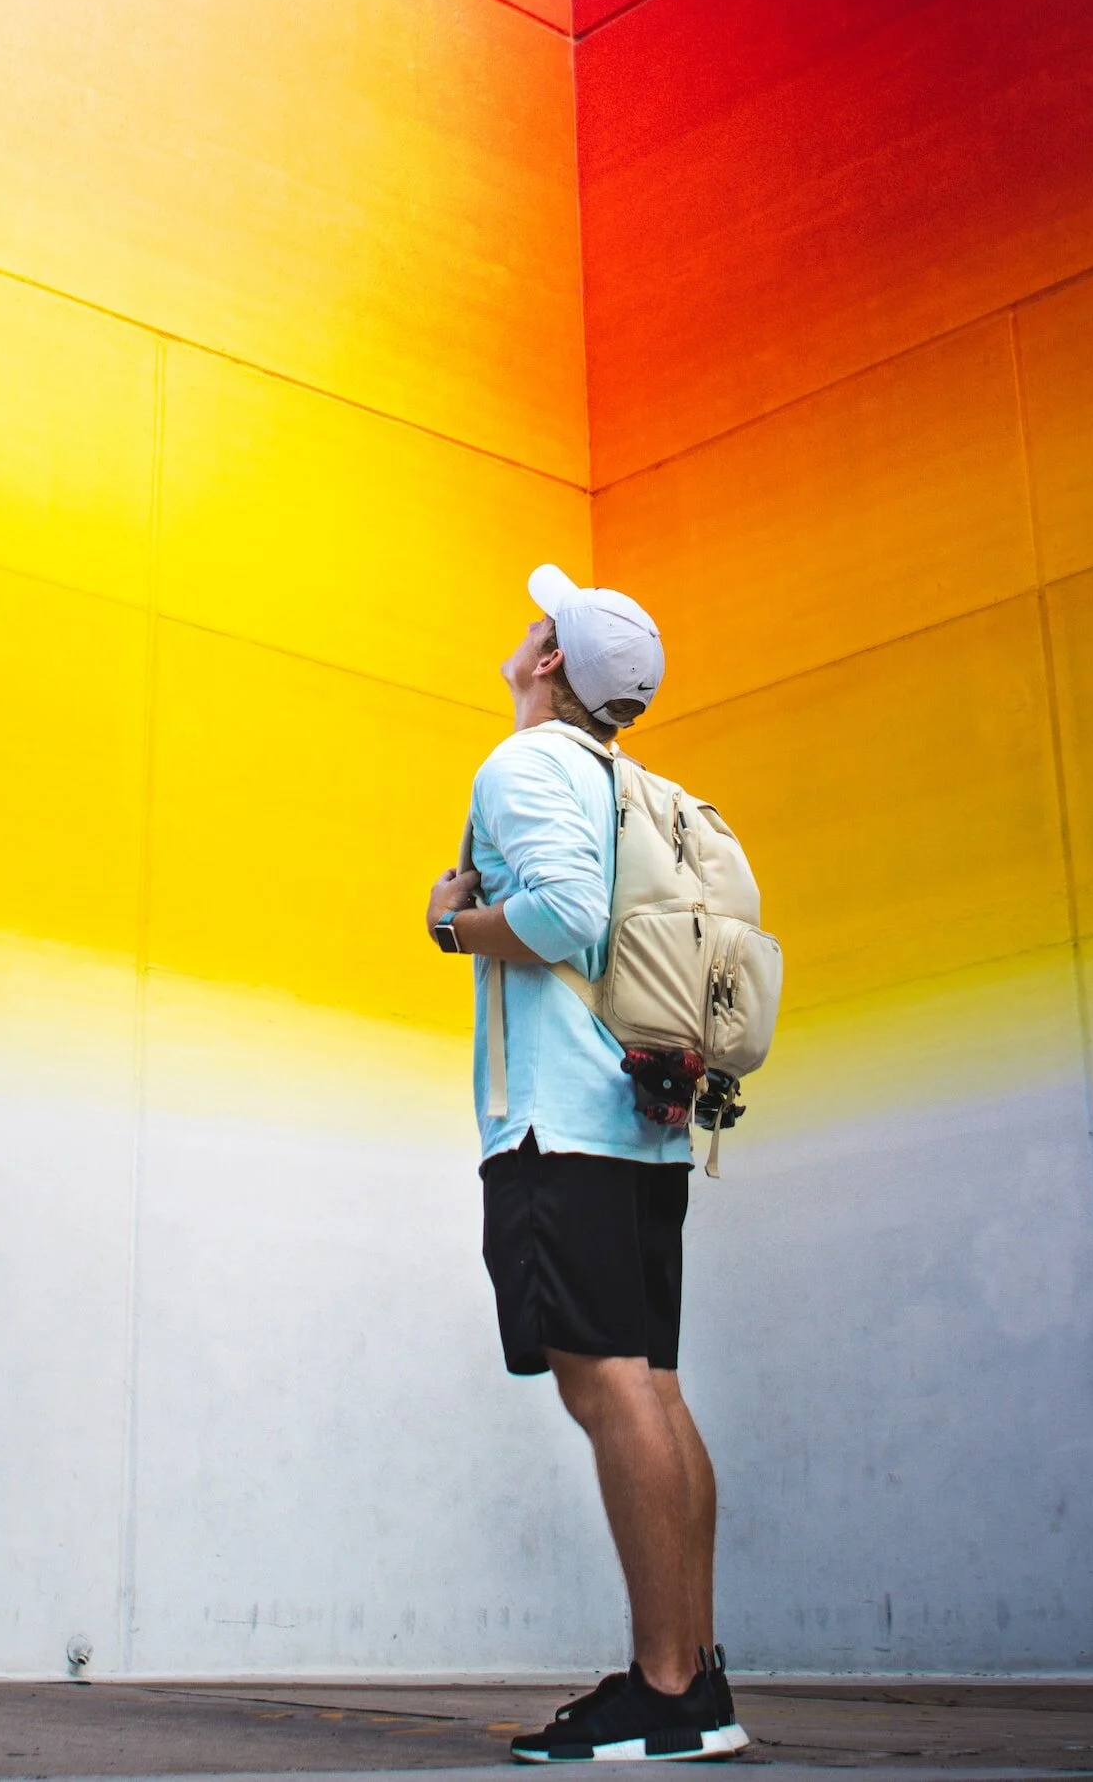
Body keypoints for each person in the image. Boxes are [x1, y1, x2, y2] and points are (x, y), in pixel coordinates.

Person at [425, 565, 745, 1765]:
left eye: (537, 623)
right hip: (642, 1124)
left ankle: (664, 1687)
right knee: (651, 1382)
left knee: (607, 1387)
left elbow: (558, 914)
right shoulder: (638, 786)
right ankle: (696, 1672)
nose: (522, 628)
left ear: (549, 660)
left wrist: (449, 922)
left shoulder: (523, 768)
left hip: (561, 1121)